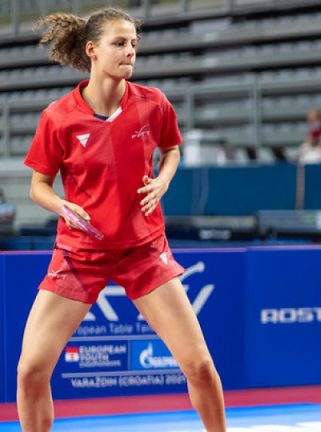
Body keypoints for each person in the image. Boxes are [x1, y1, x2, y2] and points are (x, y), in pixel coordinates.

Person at [18, 8, 226, 431]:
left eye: (133, 43)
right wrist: (60, 205)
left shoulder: (153, 104)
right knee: (30, 371)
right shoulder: (58, 117)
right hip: (81, 252)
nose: (129, 51)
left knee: (200, 365)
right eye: (119, 43)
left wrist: (165, 179)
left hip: (143, 249)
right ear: (92, 50)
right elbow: (38, 186)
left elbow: (171, 149)